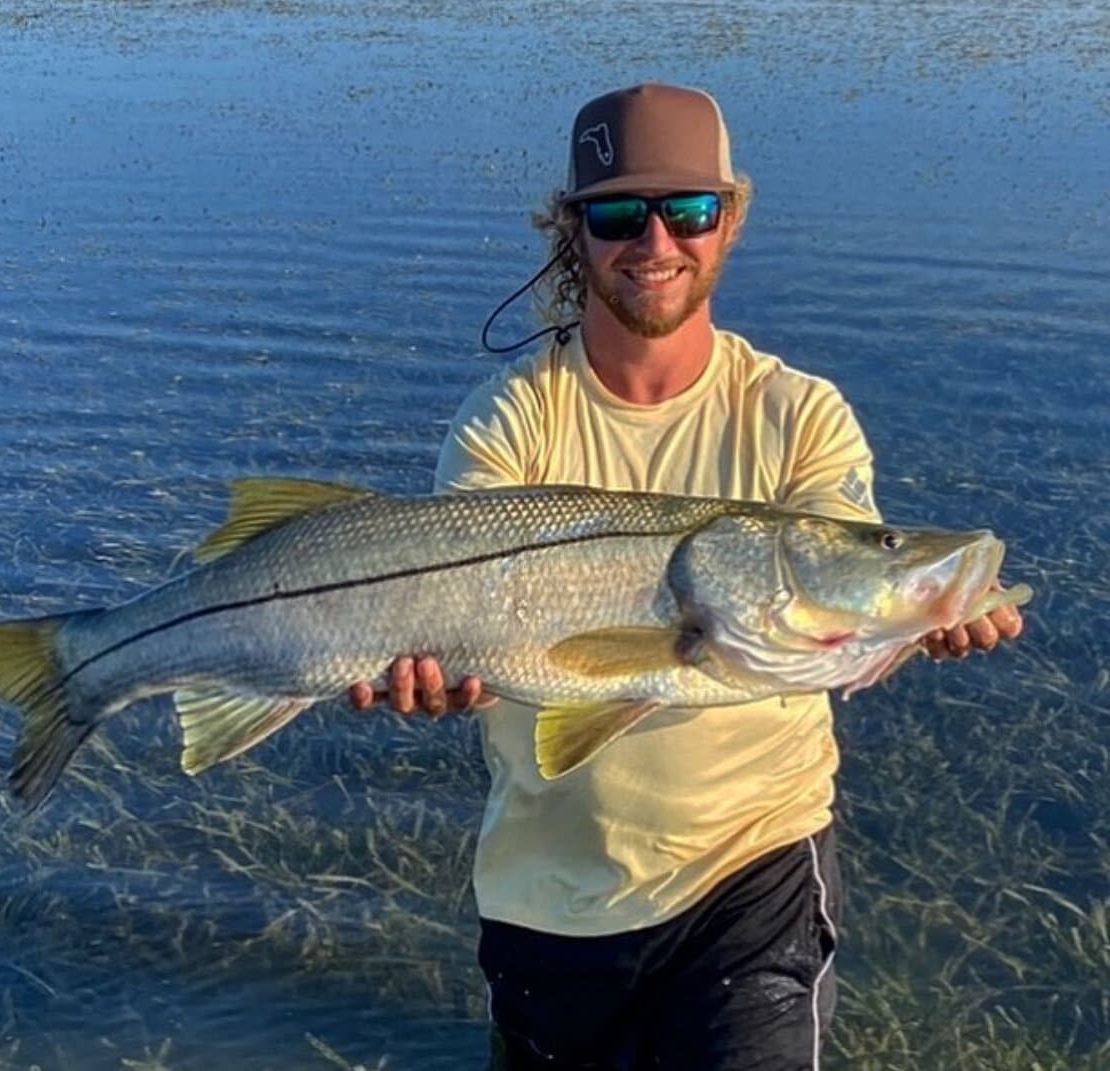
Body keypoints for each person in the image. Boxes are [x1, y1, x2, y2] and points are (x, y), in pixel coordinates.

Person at [350, 83, 1023, 1070]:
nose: (655, 241)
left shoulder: (801, 414)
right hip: (552, 896)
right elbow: (465, 628)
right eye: (619, 213)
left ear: (731, 221)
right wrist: (432, 677)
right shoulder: (511, 420)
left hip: (755, 882)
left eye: (688, 210)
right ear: (572, 230)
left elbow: (841, 586)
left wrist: (916, 613)